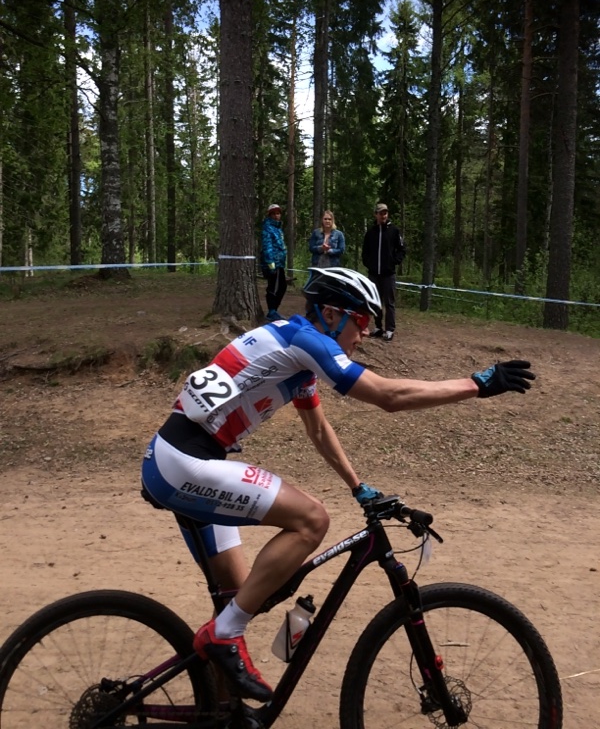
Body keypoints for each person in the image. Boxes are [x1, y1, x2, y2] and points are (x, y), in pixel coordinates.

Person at [141, 266, 535, 703]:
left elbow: (318, 429)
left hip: (178, 460)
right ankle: (223, 636)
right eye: (362, 322)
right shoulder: (305, 341)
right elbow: (389, 396)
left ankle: (223, 709)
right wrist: (476, 384)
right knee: (312, 521)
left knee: (238, 597)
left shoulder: (294, 352)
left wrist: (357, 486)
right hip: (186, 463)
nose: (365, 334)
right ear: (331, 314)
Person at [361, 203, 406, 342]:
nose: (383, 216)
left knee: (389, 302)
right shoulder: (371, 232)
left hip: (388, 274)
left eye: (385, 213)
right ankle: (378, 327)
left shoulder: (394, 231)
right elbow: (365, 251)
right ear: (376, 215)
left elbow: (402, 249)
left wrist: (394, 261)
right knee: (375, 301)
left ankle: (390, 329)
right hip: (374, 274)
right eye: (381, 213)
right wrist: (369, 264)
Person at [260, 204, 287, 322]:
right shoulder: (267, 228)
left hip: (279, 263)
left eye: (278, 213)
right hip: (272, 264)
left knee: (282, 286)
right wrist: (271, 263)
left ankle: (274, 310)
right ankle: (271, 311)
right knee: (273, 287)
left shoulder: (278, 229)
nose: (277, 216)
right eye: (274, 214)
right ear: (270, 215)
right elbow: (267, 246)